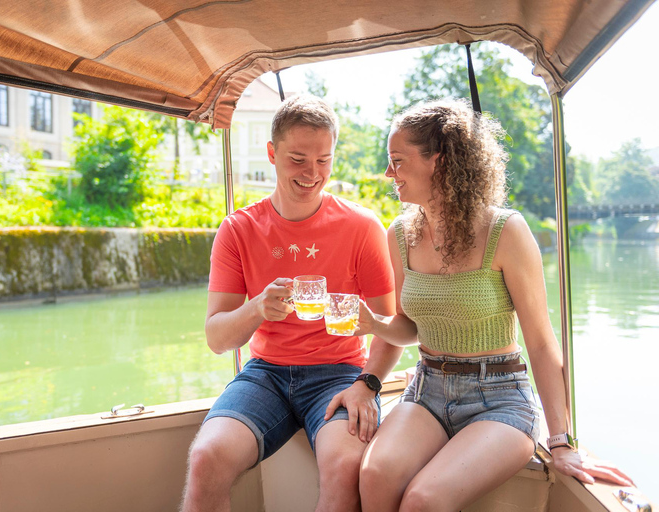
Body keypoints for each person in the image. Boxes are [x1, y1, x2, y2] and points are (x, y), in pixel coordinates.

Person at [356, 99, 635, 511]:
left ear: (440, 160)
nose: (388, 173)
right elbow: (410, 325)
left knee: (424, 500)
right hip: (427, 388)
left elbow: (541, 342)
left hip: (499, 396)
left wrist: (560, 440)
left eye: (397, 161)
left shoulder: (505, 230)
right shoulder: (399, 234)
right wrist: (374, 323)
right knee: (374, 477)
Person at [181, 94, 403, 512]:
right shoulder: (239, 229)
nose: (312, 173)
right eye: (298, 159)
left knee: (346, 466)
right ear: (272, 152)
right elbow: (215, 338)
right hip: (266, 375)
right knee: (205, 458)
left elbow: (389, 326)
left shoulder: (362, 226)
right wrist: (256, 308)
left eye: (324, 160)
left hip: (340, 374)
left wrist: (368, 383)